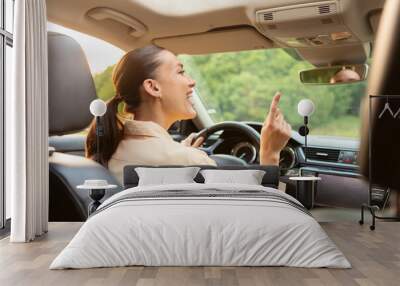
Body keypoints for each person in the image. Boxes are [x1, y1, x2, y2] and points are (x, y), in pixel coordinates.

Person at [85, 45, 292, 184]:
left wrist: (180, 151)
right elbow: (256, 218)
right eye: (181, 72)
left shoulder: (113, 145)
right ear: (153, 87)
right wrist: (270, 154)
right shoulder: (187, 160)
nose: (191, 81)